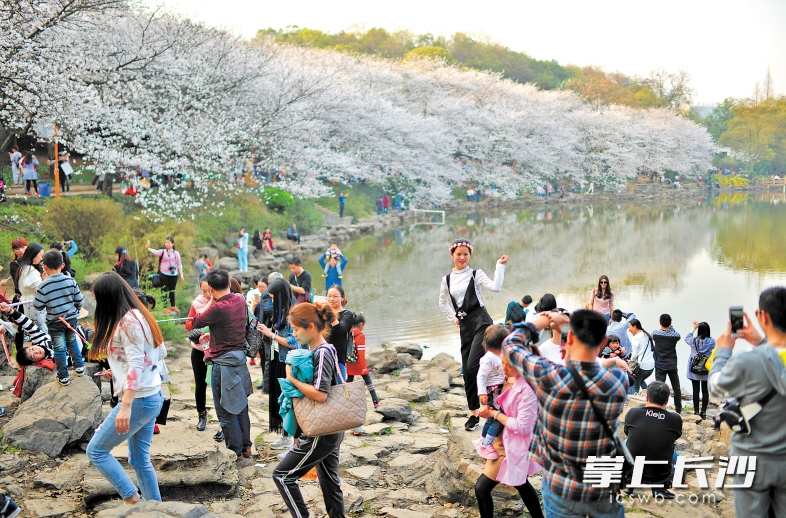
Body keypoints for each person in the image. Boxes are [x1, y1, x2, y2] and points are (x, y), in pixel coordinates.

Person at [503, 309, 628, 518]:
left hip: (562, 485)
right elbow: (591, 372)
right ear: (604, 340)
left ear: (569, 336)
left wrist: (545, 320)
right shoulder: (618, 381)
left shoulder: (550, 377)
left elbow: (511, 345)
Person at [86, 272, 165, 504]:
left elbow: (138, 362)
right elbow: (159, 353)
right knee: (140, 460)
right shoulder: (140, 315)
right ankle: (155, 509)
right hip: (151, 395)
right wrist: (119, 371)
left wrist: (126, 406)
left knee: (96, 451)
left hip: (138, 400)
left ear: (108, 298)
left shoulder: (127, 322)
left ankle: (133, 500)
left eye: (98, 299)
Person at [709, 287, 786, 517]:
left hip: (751, 460)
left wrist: (723, 352)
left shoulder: (747, 361)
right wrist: (762, 341)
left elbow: (715, 387)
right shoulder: (762, 356)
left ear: (763, 316)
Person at [272, 302, 345, 518]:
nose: (294, 334)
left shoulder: (322, 352)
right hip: (330, 427)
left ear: (311, 327)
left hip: (321, 431)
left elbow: (321, 394)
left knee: (282, 476)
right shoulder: (316, 350)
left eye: (296, 329)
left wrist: (292, 380)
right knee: (330, 482)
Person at [438, 238, 508, 431]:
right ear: (452, 255)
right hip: (465, 326)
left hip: (482, 322)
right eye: (459, 254)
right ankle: (474, 413)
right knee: (467, 372)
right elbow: (442, 303)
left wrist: (499, 266)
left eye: (466, 254)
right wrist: (454, 318)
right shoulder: (447, 280)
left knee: (472, 364)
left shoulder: (476, 274)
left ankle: (494, 400)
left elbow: (496, 287)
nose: (462, 257)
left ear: (470, 256)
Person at [190, 270, 254, 461]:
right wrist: (214, 335)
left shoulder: (217, 307)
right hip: (239, 360)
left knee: (225, 412)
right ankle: (247, 447)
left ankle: (236, 453)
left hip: (223, 364)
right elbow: (231, 326)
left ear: (210, 288)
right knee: (241, 407)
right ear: (228, 283)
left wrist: (210, 300)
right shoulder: (241, 300)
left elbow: (196, 322)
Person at [474, 351, 544, 518]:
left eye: (508, 365)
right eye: (502, 362)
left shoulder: (528, 389)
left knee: (482, 488)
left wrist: (495, 415)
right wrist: (489, 408)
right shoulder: (504, 376)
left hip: (512, 444)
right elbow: (497, 402)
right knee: (521, 484)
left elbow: (522, 427)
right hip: (499, 440)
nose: (503, 368)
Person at [257, 278, 303, 454]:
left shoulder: (294, 311)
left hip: (289, 361)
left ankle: (294, 442)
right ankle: (285, 436)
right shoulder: (281, 309)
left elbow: (293, 342)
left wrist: (271, 335)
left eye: (274, 297)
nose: (272, 300)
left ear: (281, 295)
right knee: (279, 398)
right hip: (278, 357)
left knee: (290, 401)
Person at [33, 251, 85, 385]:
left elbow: (37, 306)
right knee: (72, 341)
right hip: (71, 319)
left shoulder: (43, 285)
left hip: (55, 321)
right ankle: (79, 367)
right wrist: (76, 310)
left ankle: (63, 376)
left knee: (59, 348)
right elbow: (79, 300)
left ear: (44, 267)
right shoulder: (70, 280)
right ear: (62, 265)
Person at [624, 381, 682, 499]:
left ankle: (628, 484)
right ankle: (658, 488)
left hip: (632, 471)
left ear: (646, 397)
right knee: (675, 453)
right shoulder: (675, 419)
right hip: (660, 475)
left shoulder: (633, 413)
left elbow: (627, 433)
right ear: (666, 401)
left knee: (625, 443)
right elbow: (674, 438)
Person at [473, 325, 508, 459]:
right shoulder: (489, 358)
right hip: (492, 390)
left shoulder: (498, 355)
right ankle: (487, 443)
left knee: (493, 416)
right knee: (500, 416)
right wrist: (482, 393)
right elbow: (481, 376)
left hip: (499, 389)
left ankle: (482, 439)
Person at [184, 277, 211, 432]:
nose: (206, 294)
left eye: (209, 290)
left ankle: (223, 420)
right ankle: (202, 415)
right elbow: (188, 324)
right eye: (203, 291)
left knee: (218, 386)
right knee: (200, 384)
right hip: (199, 350)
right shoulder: (197, 303)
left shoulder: (219, 301)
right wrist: (199, 322)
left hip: (215, 351)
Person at [347, 313, 380, 435]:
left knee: (348, 383)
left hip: (349, 363)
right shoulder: (360, 335)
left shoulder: (348, 333)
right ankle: (375, 400)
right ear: (361, 325)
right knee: (368, 382)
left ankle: (345, 400)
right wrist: (363, 368)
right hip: (358, 364)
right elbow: (360, 353)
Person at [685, 321, 715, 420]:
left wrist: (693, 328)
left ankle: (696, 411)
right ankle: (704, 412)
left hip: (694, 369)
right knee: (705, 391)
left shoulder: (693, 341)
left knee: (695, 390)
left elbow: (686, 338)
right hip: (706, 369)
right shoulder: (711, 341)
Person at [652, 314, 682, 414]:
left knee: (659, 387)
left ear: (659, 322)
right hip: (672, 364)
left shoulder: (655, 334)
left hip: (660, 364)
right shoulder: (675, 336)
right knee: (676, 387)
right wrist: (670, 326)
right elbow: (676, 333)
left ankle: (659, 407)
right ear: (670, 322)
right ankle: (678, 408)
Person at [146, 237, 184, 315]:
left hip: (174, 275)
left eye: (168, 242)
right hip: (164, 274)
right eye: (166, 242)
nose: (167, 244)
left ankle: (173, 306)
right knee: (164, 290)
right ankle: (165, 307)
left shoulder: (176, 253)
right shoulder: (163, 252)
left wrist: (181, 275)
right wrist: (148, 248)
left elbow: (179, 265)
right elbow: (155, 252)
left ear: (173, 244)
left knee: (172, 290)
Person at [14, 242, 46, 332]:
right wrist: (44, 280)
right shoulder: (29, 270)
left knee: (35, 333)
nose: (41, 258)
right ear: (34, 255)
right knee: (39, 332)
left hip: (29, 302)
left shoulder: (25, 267)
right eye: (41, 255)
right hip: (33, 304)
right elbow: (39, 289)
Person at [325, 285, 354, 380]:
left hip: (338, 359)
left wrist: (329, 314)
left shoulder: (348, 314)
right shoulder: (323, 313)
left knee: (339, 390)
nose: (331, 299)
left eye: (335, 296)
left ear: (342, 298)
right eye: (329, 296)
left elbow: (341, 329)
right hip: (324, 357)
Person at [628, 318, 655, 394]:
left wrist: (631, 361)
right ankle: (649, 396)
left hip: (642, 367)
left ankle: (634, 401)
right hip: (651, 367)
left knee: (635, 385)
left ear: (634, 326)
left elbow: (634, 354)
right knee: (641, 381)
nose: (629, 329)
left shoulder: (636, 338)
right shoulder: (646, 334)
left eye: (629, 327)